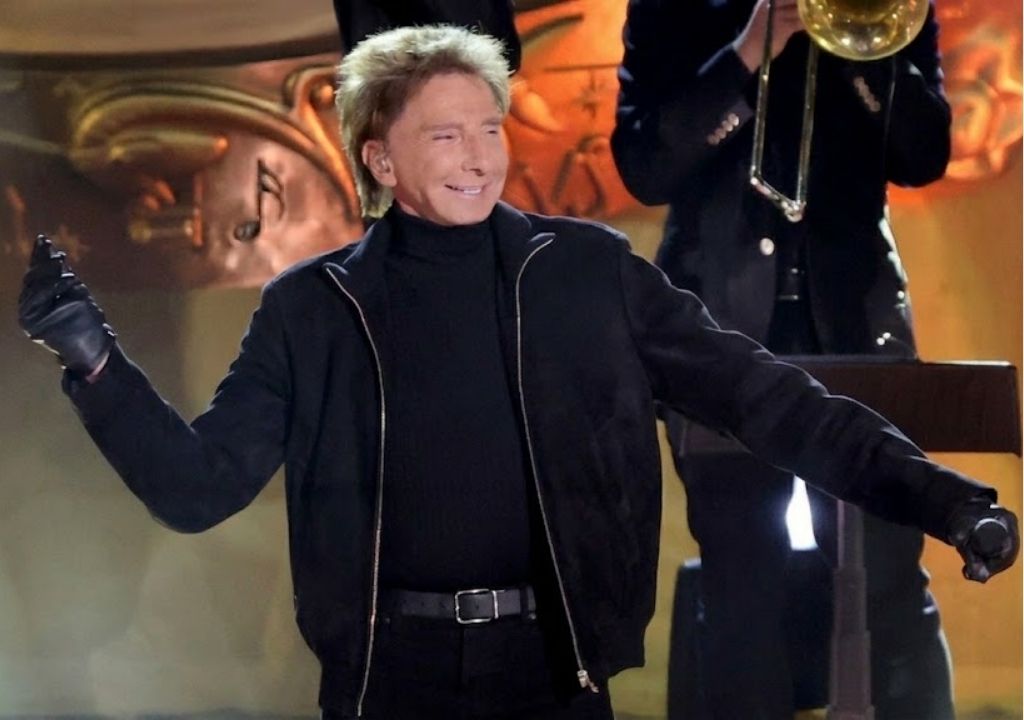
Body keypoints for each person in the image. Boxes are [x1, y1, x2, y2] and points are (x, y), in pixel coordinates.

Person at [19, 23, 1017, 720]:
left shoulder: (590, 275)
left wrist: (944, 500)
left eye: (489, 129)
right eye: (444, 135)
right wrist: (93, 358)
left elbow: (774, 403)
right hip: (385, 687)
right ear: (380, 161)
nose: (478, 157)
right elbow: (198, 489)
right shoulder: (311, 310)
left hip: (555, 677)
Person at [611, 0, 962, 717]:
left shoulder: (888, 9)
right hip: (719, 334)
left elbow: (923, 155)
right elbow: (647, 166)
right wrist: (747, 53)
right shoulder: (671, 10)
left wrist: (859, 53)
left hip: (857, 323)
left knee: (889, 572)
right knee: (742, 580)